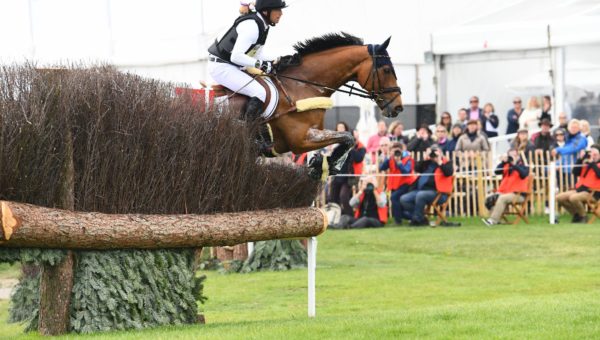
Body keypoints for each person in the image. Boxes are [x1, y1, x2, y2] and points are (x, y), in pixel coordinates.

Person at [208, 0, 287, 154]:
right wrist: (263, 65)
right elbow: (237, 56)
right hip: (222, 67)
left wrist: (276, 60)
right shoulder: (252, 26)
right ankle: (252, 138)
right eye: (278, 10)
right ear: (266, 11)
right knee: (260, 92)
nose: (281, 14)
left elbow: (257, 54)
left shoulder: (262, 26)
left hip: (232, 65)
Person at [400, 147, 454, 226]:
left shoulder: (447, 162)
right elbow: (416, 168)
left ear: (440, 153)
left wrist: (439, 161)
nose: (433, 155)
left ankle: (417, 220)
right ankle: (421, 218)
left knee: (421, 195)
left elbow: (448, 172)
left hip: (438, 193)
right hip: (420, 191)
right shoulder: (427, 163)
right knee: (404, 199)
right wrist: (425, 159)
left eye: (435, 153)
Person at [482, 149, 530, 226]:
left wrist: (514, 165)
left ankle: (492, 220)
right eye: (510, 156)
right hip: (505, 192)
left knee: (502, 198)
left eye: (514, 155)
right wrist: (503, 162)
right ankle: (497, 219)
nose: (512, 157)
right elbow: (496, 172)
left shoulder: (523, 166)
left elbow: (524, 174)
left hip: (518, 195)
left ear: (518, 156)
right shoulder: (506, 166)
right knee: (489, 198)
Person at [556, 144, 600, 223]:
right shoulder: (586, 163)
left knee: (573, 198)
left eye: (595, 154)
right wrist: (580, 159)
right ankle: (577, 215)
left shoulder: (595, 164)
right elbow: (575, 172)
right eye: (591, 153)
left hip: (593, 193)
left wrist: (592, 163)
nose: (593, 156)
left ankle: (583, 216)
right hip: (581, 189)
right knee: (559, 197)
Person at [380, 144, 417, 224]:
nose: (396, 153)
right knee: (397, 204)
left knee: (394, 197)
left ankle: (398, 221)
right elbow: (381, 168)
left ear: (401, 151)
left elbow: (406, 172)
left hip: (407, 184)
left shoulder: (408, 159)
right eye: (394, 151)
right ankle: (412, 217)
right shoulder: (390, 159)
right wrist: (388, 158)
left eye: (398, 151)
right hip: (394, 185)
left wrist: (399, 162)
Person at [328, 122, 354, 216]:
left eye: (342, 127)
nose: (340, 129)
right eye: (338, 128)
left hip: (346, 176)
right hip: (336, 175)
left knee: (343, 197)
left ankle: (350, 216)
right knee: (332, 198)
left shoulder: (349, 143)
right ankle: (336, 217)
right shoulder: (333, 144)